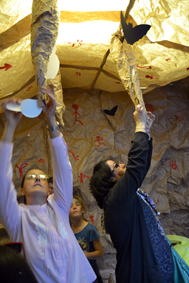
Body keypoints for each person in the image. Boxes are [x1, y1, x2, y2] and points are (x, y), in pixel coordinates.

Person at [0, 85, 96, 283]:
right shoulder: (17, 218)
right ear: (21, 189)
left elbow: (63, 169)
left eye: (43, 177)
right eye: (31, 177)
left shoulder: (58, 206)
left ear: (49, 189)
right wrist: (9, 128)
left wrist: (51, 120)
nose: (37, 179)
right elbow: (1, 179)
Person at [90, 105, 175, 283]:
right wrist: (140, 127)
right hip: (142, 275)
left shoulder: (121, 198)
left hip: (158, 268)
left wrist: (147, 130)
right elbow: (136, 167)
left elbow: (140, 167)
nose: (121, 165)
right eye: (115, 166)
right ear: (109, 179)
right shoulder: (114, 200)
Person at [69, 196, 104, 283]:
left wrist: (83, 255)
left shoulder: (90, 229)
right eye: (70, 206)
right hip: (76, 271)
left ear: (83, 210)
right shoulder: (68, 231)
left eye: (77, 204)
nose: (74, 207)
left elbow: (100, 253)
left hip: (91, 270)